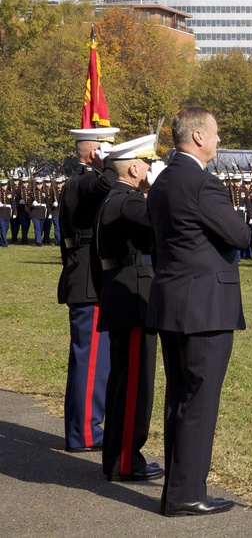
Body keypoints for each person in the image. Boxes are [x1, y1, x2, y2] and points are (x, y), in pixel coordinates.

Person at [147, 107, 252, 516]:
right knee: (200, 401)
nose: (219, 140)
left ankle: (177, 489)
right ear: (196, 138)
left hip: (172, 300)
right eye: (215, 134)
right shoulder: (201, 184)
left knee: (180, 397)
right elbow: (240, 235)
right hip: (204, 306)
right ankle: (187, 493)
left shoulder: (164, 181)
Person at [92, 134, 165, 482]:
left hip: (122, 295)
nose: (150, 169)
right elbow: (164, 223)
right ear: (135, 167)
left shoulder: (117, 199)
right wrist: (163, 186)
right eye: (148, 164)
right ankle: (125, 461)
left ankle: (120, 457)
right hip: (133, 297)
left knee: (125, 382)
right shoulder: (129, 202)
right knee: (135, 385)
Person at [58, 125, 120, 453]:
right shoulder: (82, 181)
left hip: (90, 277)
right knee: (91, 362)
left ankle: (87, 427)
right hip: (87, 281)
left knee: (99, 362)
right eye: (108, 149)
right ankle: (84, 433)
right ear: (92, 151)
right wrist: (107, 163)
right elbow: (109, 181)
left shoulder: (85, 182)